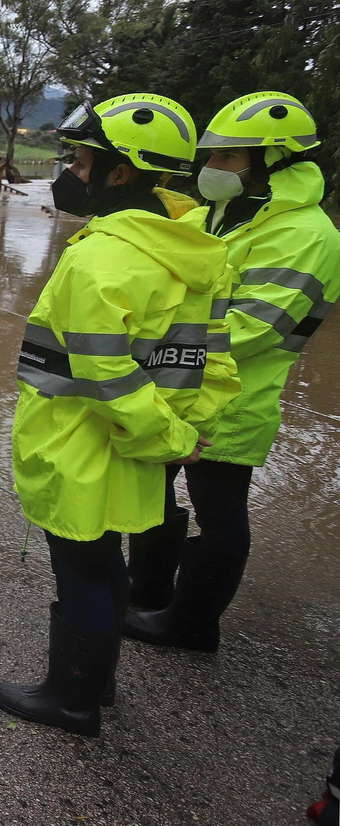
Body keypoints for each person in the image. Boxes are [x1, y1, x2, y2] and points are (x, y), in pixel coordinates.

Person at [0, 93, 239, 737]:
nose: (70, 171)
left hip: (79, 443)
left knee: (79, 568)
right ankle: (97, 683)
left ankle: (70, 698)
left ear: (119, 172)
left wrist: (162, 432)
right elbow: (215, 361)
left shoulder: (99, 257)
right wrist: (181, 435)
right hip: (142, 448)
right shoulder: (199, 252)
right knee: (109, 565)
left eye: (79, 160)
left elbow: (106, 373)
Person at [125, 92, 340, 652]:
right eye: (212, 157)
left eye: (229, 159)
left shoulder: (305, 235)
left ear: (275, 160)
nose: (212, 169)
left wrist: (149, 347)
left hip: (235, 397)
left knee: (218, 511)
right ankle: (147, 593)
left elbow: (257, 326)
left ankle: (192, 625)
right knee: (152, 491)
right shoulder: (220, 214)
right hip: (177, 385)